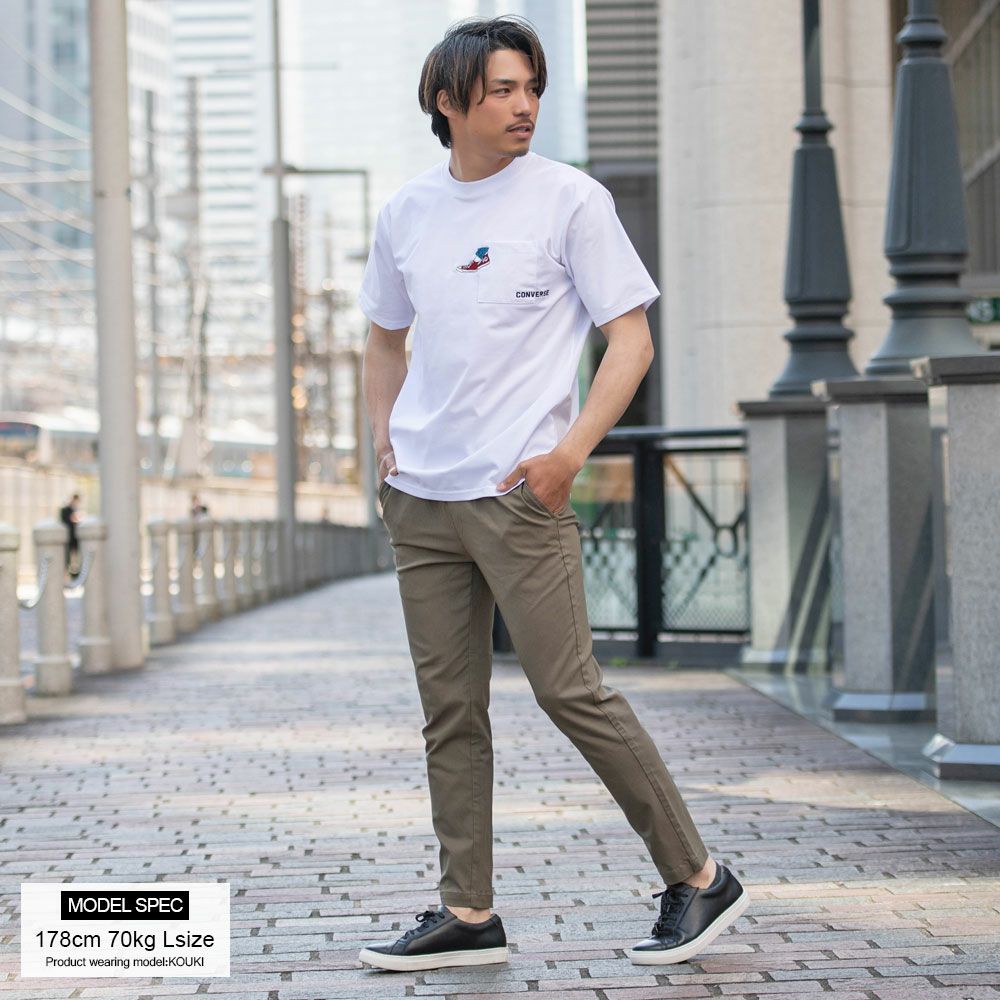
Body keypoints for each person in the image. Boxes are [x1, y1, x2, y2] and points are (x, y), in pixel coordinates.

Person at [357, 15, 749, 973]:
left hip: (518, 492)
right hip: (423, 498)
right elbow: (383, 337)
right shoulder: (407, 212)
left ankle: (699, 877)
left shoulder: (570, 199)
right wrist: (382, 441)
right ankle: (468, 911)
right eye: (502, 89)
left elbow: (632, 340)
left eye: (530, 86)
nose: (524, 104)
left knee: (570, 689)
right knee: (450, 712)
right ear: (447, 101)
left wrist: (568, 455)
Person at [58, 493, 82, 578]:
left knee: (75, 556)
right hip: (68, 537)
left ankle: (75, 572)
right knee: (67, 556)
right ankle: (67, 573)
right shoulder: (65, 509)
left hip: (75, 537)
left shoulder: (75, 509)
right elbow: (65, 521)